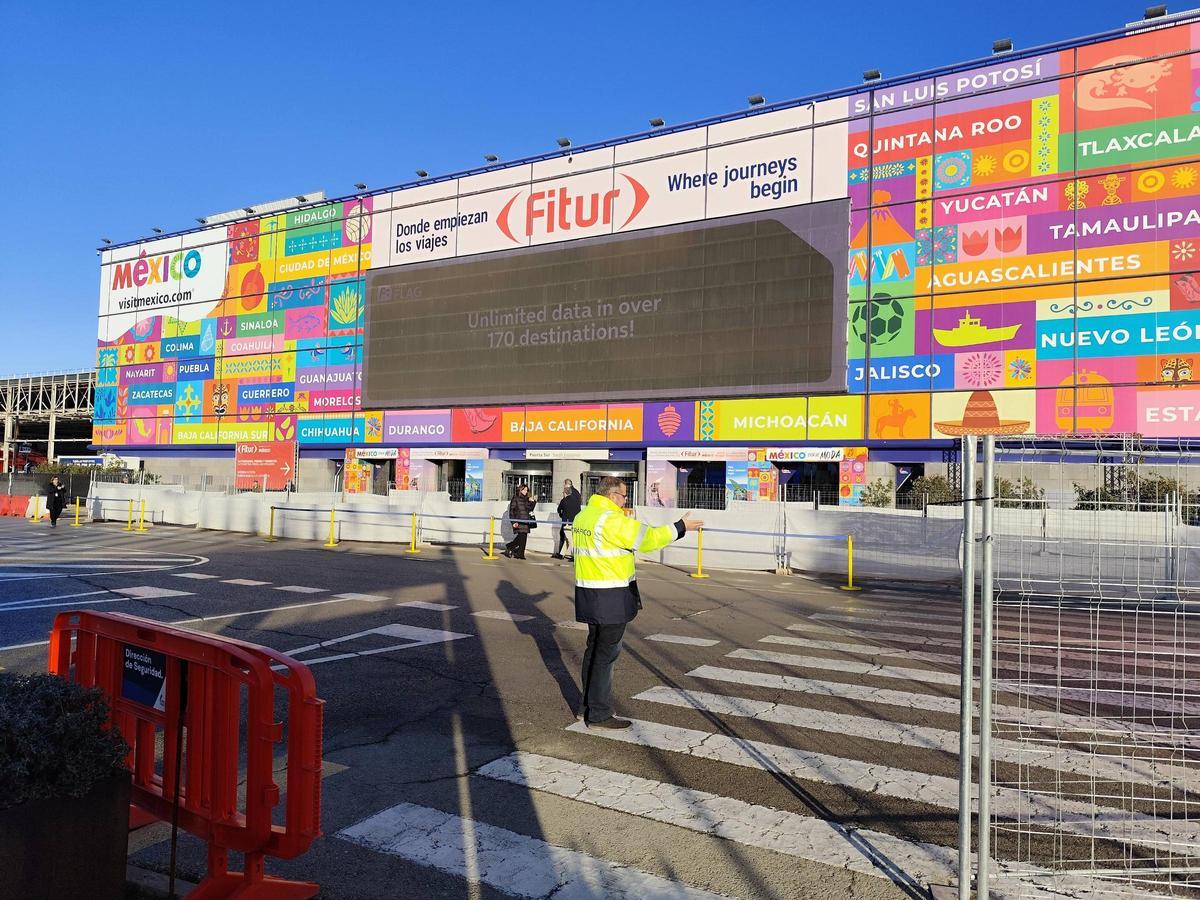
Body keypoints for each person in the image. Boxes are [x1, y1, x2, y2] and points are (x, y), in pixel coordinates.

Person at [572, 475, 702, 728]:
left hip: (589, 592)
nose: (625, 500)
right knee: (605, 656)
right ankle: (598, 713)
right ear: (611, 496)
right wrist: (680, 526)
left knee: (594, 651)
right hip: (610, 595)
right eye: (623, 495)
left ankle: (585, 706)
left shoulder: (583, 516)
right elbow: (648, 539)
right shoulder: (611, 520)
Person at [503, 483, 536, 559]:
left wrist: (533, 502)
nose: (525, 491)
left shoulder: (527, 499)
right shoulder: (515, 498)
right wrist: (513, 522)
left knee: (524, 537)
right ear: (520, 490)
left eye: (526, 490)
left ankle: (520, 553)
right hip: (519, 520)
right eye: (524, 490)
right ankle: (511, 547)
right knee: (521, 536)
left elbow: (530, 509)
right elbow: (512, 511)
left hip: (526, 520)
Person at [552, 479, 582, 560]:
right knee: (568, 538)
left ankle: (574, 555)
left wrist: (562, 514)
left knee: (569, 539)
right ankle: (561, 554)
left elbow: (560, 509)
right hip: (575, 520)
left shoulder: (565, 499)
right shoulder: (577, 493)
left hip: (567, 521)